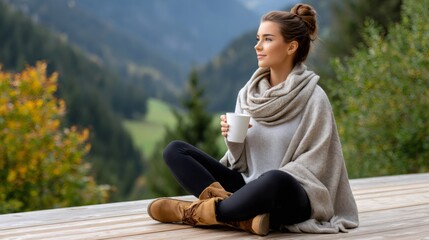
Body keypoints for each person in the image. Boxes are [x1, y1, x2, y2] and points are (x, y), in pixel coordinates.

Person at [147, 3, 359, 236]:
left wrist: (269, 180)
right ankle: (241, 218)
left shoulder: (314, 98)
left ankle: (191, 212)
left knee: (275, 179)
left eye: (267, 39)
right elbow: (242, 165)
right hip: (248, 188)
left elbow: (317, 164)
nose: (257, 46)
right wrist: (234, 141)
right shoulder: (248, 93)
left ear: (291, 46)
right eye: (258, 38)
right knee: (175, 151)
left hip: (292, 196)